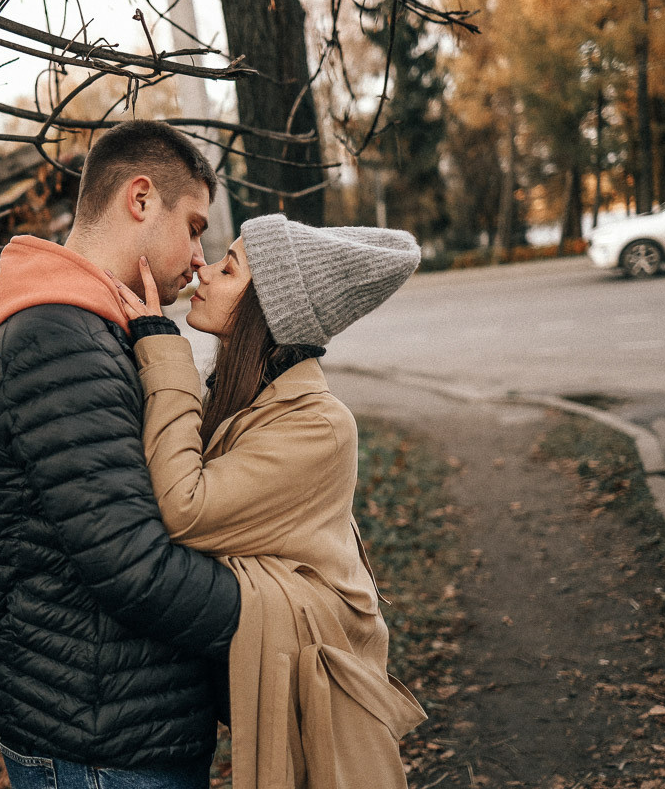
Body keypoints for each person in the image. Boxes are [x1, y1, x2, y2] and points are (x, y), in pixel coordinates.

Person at [0, 120, 241, 789]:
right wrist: (279, 613)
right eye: (195, 227)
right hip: (97, 742)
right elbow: (130, 562)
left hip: (122, 719)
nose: (200, 257)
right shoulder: (58, 338)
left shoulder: (102, 332)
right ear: (140, 199)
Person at [111, 214, 428, 788]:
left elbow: (185, 507)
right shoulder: (242, 394)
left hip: (324, 692)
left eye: (229, 268)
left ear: (268, 307)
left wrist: (164, 350)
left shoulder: (318, 425)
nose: (203, 269)